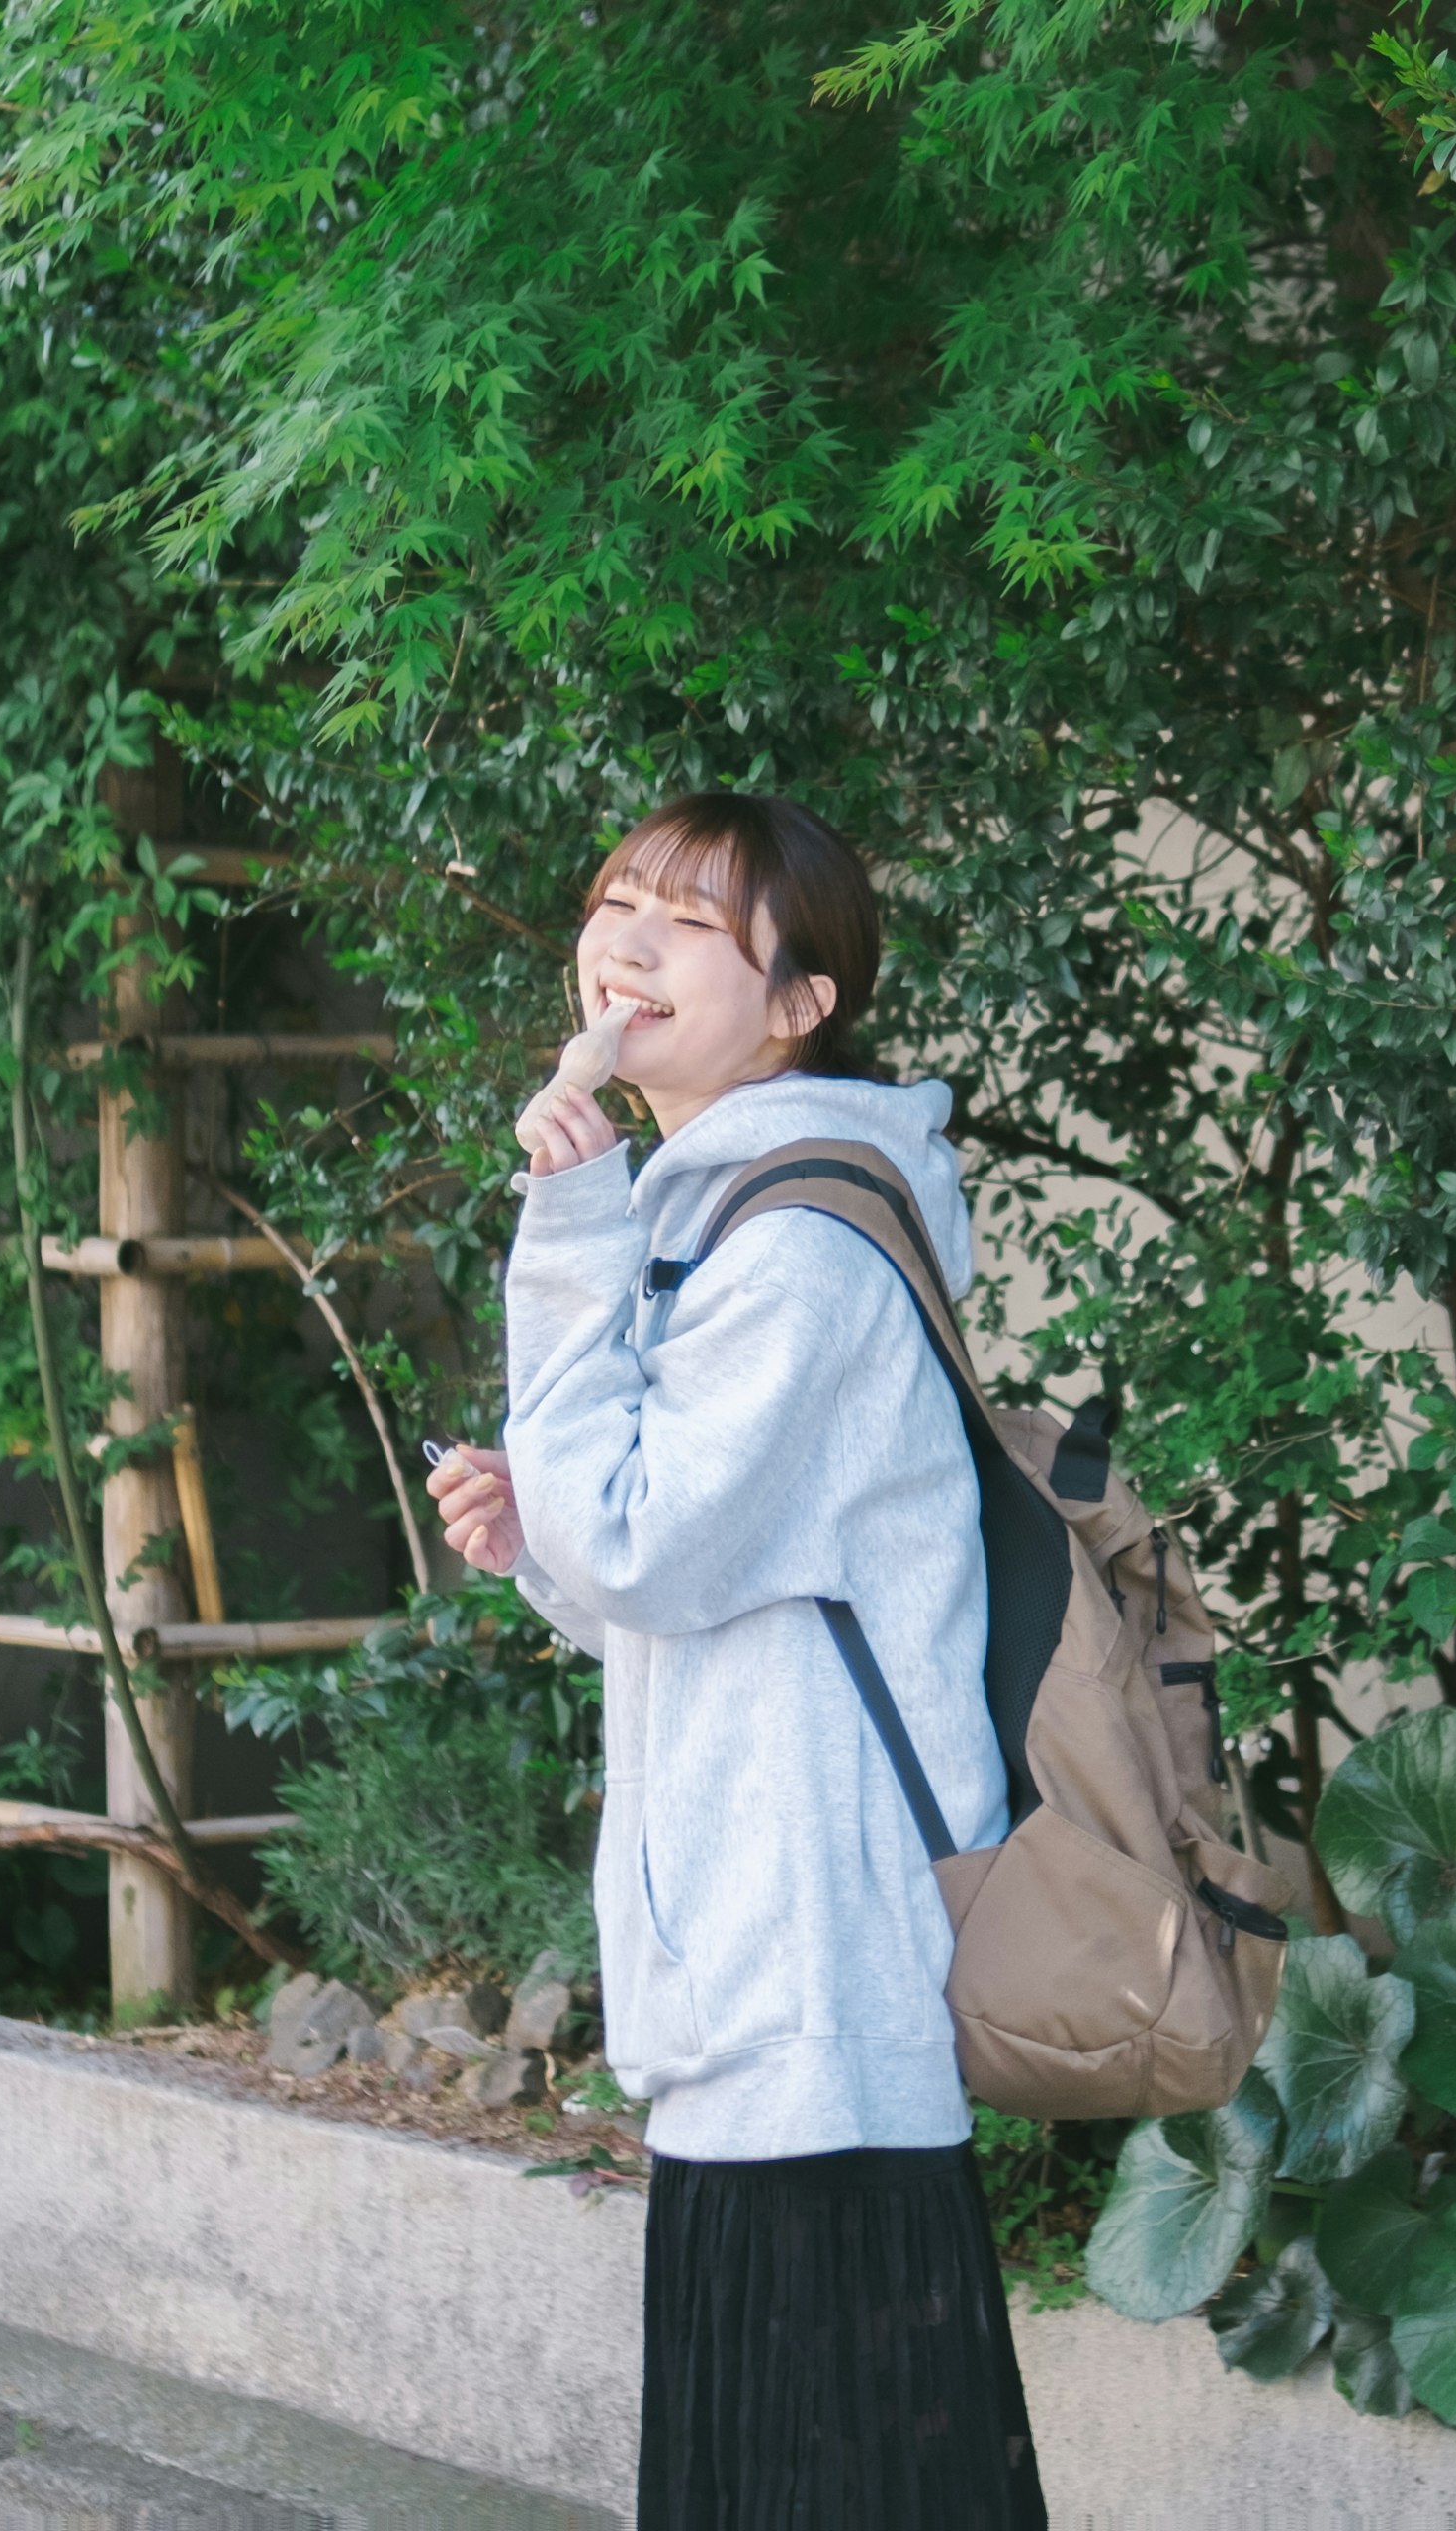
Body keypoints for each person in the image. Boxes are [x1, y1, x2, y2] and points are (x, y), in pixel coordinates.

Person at [423, 792, 1048, 2531]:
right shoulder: (718, 1214)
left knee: (823, 2466)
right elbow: (655, 1579)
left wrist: (565, 1226)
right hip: (756, 1957)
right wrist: (536, 1528)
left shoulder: (796, 1251)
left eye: (689, 921)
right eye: (619, 897)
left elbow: (652, 1543)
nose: (627, 939)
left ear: (800, 1005)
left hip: (811, 1965)